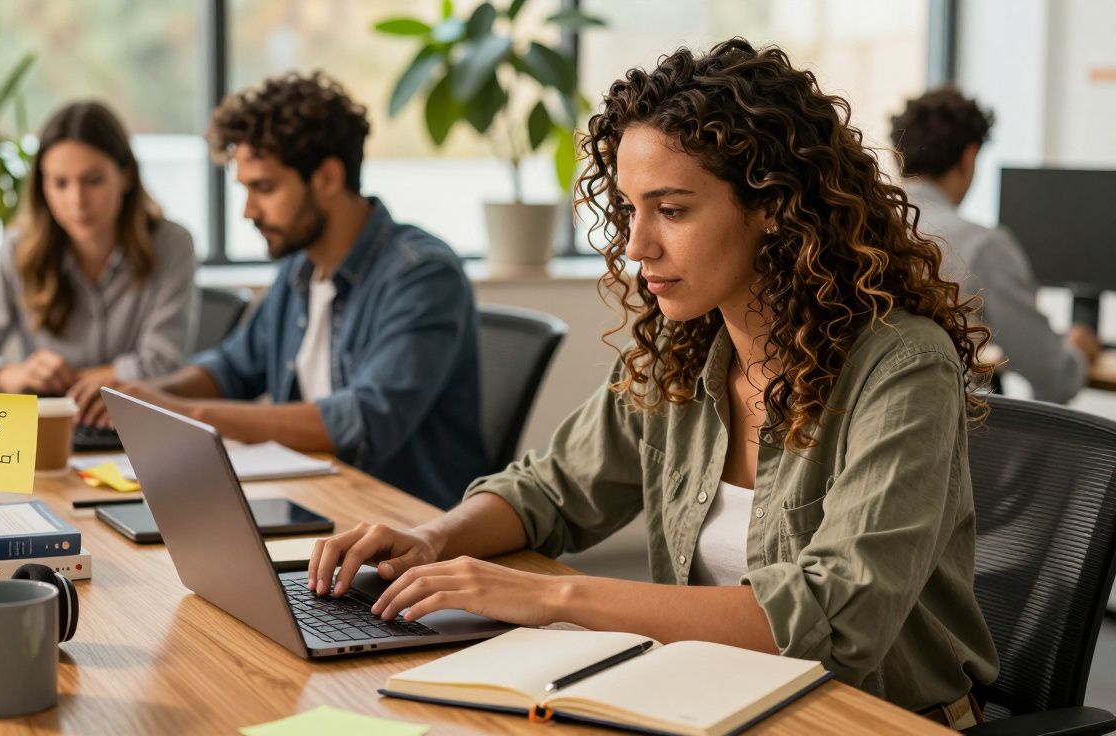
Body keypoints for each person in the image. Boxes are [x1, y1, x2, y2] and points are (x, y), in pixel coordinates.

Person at [306, 39, 1000, 725]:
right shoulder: (683, 345)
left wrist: (553, 599)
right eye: (630, 209)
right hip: (715, 703)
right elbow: (552, 491)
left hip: (871, 720)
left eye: (671, 211)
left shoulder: (903, 367)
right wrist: (434, 538)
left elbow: (834, 619)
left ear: (773, 205)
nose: (637, 246)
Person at [99, 72, 484, 508]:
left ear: (328, 178)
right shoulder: (299, 270)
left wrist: (187, 415)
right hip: (318, 505)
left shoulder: (422, 276)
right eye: (244, 189)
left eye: (264, 188)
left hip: (407, 524)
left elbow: (361, 420)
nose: (247, 211)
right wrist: (146, 398)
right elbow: (232, 369)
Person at [0, 100, 198, 420]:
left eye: (93, 180)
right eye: (60, 183)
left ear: (126, 176)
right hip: (45, 429)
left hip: (128, 427)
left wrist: (65, 383)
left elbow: (163, 363)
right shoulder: (18, 248)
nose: (76, 201)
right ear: (42, 187)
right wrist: (9, 375)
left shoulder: (172, 245)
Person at [891, 87, 1099, 403]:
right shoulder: (982, 246)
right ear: (969, 156)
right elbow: (1053, 377)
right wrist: (1078, 349)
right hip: (942, 430)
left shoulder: (858, 227)